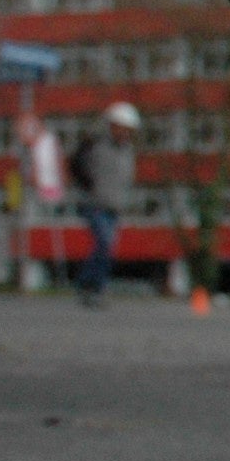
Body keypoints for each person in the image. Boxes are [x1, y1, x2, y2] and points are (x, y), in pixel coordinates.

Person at [69, 101, 140, 308]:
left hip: (114, 206)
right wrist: (88, 185)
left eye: (128, 129)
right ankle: (92, 286)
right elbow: (76, 165)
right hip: (94, 203)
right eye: (122, 127)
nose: (125, 132)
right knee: (104, 243)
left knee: (106, 248)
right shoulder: (96, 144)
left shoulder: (127, 150)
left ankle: (88, 285)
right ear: (113, 125)